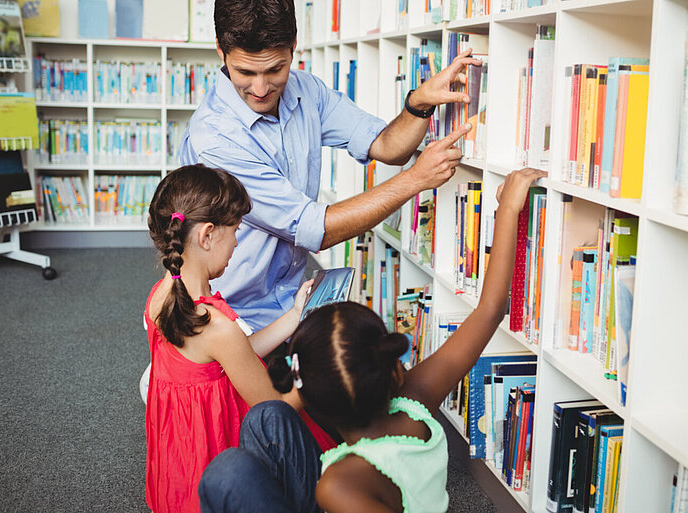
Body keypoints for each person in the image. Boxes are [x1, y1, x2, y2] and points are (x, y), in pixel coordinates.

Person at [198, 167, 548, 513]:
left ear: (311, 403)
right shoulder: (416, 402)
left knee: (227, 473)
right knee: (267, 416)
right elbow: (490, 310)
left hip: (353, 491)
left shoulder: (338, 484)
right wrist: (508, 211)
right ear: (387, 367)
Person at [179, 0, 482, 331]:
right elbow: (314, 229)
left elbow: (386, 145)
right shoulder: (216, 139)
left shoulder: (307, 90)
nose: (261, 89)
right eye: (245, 72)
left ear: (294, 47)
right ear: (221, 51)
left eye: (275, 69)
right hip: (226, 315)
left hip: (289, 304)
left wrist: (419, 104)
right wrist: (414, 180)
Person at [143, 164, 333, 513]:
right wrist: (320, 375)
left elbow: (234, 357)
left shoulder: (162, 296)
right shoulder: (216, 327)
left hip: (181, 453)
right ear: (208, 235)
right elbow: (277, 406)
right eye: (236, 232)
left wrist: (293, 317)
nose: (236, 243)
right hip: (217, 449)